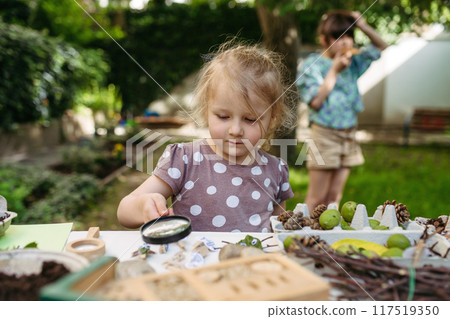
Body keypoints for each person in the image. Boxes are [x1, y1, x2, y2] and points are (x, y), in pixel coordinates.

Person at [117, 43, 296, 232]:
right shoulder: (184, 160)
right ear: (206, 109)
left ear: (272, 119)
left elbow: (279, 233)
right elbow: (124, 212)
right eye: (223, 117)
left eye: (250, 119)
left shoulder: (275, 171)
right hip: (196, 260)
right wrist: (144, 205)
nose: (235, 130)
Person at [297, 10, 388, 213]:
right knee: (316, 198)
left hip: (348, 134)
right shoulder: (313, 65)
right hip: (324, 134)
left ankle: (326, 239)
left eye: (348, 36)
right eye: (338, 37)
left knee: (334, 199)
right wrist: (334, 70)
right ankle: (303, 239)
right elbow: (316, 102)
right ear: (323, 40)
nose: (345, 42)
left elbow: (381, 46)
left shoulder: (353, 62)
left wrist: (362, 25)